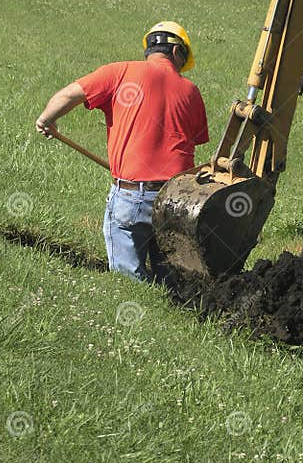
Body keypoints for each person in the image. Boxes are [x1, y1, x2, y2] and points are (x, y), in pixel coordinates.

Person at [35, 21, 209, 283]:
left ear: (149, 49)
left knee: (129, 282)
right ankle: (171, 313)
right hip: (176, 198)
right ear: (176, 53)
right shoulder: (191, 92)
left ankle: (140, 317)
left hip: (133, 196)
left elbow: (69, 94)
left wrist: (47, 120)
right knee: (171, 281)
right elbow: (191, 142)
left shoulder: (119, 72)